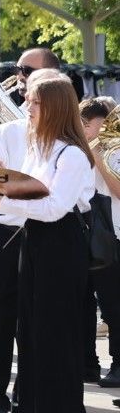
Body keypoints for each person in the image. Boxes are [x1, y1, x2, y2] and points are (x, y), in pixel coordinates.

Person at [0, 75, 92, 413]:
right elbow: (32, 191)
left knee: (55, 331)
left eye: (35, 102)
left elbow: (56, 207)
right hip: (36, 240)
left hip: (60, 244)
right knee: (30, 328)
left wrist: (4, 200)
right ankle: (32, 411)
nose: (27, 108)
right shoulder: (39, 147)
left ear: (55, 107)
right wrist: (1, 181)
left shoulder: (72, 153)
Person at [0, 63, 64, 413]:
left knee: (34, 320)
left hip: (43, 236)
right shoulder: (3, 133)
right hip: (6, 234)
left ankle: (27, 399)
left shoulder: (60, 141)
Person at [82, 97, 120, 386]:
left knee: (113, 305)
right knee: (86, 301)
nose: (82, 130)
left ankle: (117, 364)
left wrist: (97, 158)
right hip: (88, 232)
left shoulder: (113, 150)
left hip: (112, 234)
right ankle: (88, 363)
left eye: (87, 125)